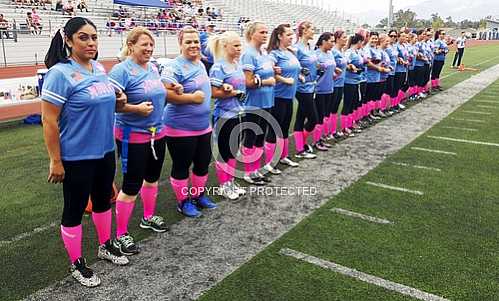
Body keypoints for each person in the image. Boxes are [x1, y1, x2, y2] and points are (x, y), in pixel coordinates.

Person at [41, 17, 129, 288]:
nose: (91, 42)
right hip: (76, 156)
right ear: (68, 40)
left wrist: (119, 101)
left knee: (103, 201)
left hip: (104, 151)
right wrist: (56, 160)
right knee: (75, 209)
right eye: (83, 37)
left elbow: (104, 104)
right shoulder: (59, 73)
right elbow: (49, 120)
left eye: (94, 37)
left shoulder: (99, 68)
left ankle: (105, 245)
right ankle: (77, 262)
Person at [108, 27, 170, 256]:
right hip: (131, 135)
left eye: (151, 45)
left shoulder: (153, 67)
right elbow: (111, 103)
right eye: (144, 44)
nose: (149, 48)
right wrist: (136, 108)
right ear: (131, 45)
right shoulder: (121, 70)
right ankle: (121, 233)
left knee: (152, 178)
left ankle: (148, 217)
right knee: (132, 184)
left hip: (157, 133)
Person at [161, 26, 218, 218]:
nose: (193, 45)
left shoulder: (200, 63)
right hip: (180, 128)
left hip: (203, 126)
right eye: (188, 42)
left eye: (196, 42)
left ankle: (198, 195)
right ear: (180, 44)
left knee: (202, 163)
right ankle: (183, 202)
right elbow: (165, 93)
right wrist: (191, 98)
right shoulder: (174, 66)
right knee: (181, 166)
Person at [208, 31, 247, 200]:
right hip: (224, 115)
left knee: (233, 150)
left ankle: (230, 181)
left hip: (239, 113)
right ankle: (224, 185)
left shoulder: (237, 65)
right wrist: (233, 93)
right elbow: (213, 93)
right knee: (225, 151)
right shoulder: (218, 67)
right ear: (225, 46)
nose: (239, 48)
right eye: (236, 45)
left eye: (240, 45)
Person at [240, 21, 276, 185]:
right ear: (251, 34)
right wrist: (266, 82)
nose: (265, 34)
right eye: (261, 32)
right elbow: (247, 81)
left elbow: (265, 72)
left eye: (266, 32)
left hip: (267, 101)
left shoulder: (263, 53)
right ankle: (249, 172)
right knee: (251, 136)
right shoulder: (248, 54)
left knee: (260, 136)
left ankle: (256, 169)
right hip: (253, 102)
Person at [268, 23, 301, 168]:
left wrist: (299, 77)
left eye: (292, 34)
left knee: (285, 127)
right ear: (280, 36)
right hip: (278, 96)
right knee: (274, 129)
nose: (291, 37)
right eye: (288, 35)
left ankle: (283, 156)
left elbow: (293, 69)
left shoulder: (290, 52)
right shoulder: (274, 54)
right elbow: (269, 72)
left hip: (289, 96)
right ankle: (269, 162)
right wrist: (283, 79)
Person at [294, 21, 323, 159]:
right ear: (304, 30)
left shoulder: (309, 47)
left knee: (300, 117)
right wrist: (300, 75)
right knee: (313, 118)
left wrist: (318, 69)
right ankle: (301, 146)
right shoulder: (297, 48)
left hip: (311, 86)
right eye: (312, 29)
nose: (314, 31)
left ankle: (300, 148)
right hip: (302, 88)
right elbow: (293, 66)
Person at [314, 32, 336, 147]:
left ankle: (321, 138)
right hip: (319, 90)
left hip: (329, 88)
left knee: (325, 115)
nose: (333, 43)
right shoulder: (316, 55)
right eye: (331, 41)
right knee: (319, 116)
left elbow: (330, 69)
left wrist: (333, 74)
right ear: (324, 41)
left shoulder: (330, 54)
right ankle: (316, 141)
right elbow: (314, 72)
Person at [343, 33, 365, 136]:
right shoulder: (349, 52)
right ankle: (345, 127)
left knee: (353, 103)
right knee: (348, 104)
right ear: (359, 42)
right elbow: (345, 63)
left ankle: (350, 123)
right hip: (349, 81)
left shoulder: (357, 52)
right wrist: (351, 66)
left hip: (356, 81)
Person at [331, 29, 347, 139]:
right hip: (334, 84)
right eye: (344, 37)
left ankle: (332, 130)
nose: (346, 39)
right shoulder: (334, 52)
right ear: (337, 39)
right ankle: (330, 131)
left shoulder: (341, 51)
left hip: (341, 83)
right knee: (331, 109)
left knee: (335, 108)